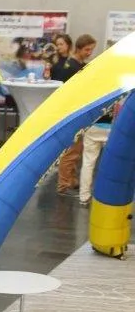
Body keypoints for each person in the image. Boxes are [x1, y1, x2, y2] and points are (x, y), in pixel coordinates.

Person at [56, 34, 98, 196]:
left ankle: (71, 180)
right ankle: (64, 184)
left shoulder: (80, 65)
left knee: (77, 149)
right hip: (72, 112)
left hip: (79, 111)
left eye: (91, 50)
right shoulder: (71, 67)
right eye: (87, 49)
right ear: (78, 48)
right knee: (71, 151)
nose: (89, 53)